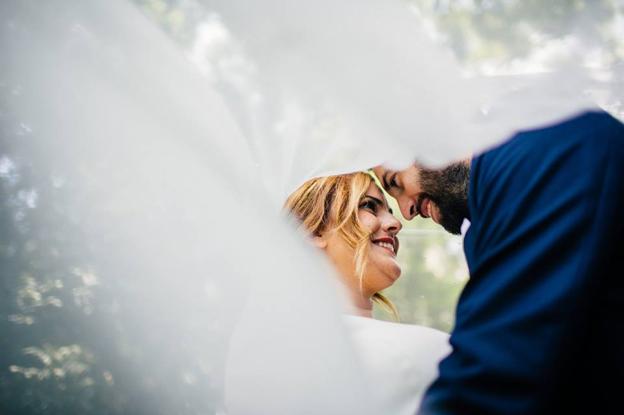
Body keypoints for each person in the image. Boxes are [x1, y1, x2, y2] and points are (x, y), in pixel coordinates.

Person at [374, 110, 624, 414]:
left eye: (395, 183)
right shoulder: (490, 215)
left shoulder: (545, 154)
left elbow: (496, 369)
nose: (406, 212)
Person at [284, 172, 450, 413]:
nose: (397, 224)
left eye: (390, 212)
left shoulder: (269, 361)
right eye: (370, 207)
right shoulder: (424, 357)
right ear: (314, 231)